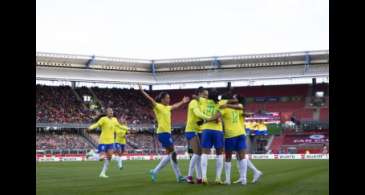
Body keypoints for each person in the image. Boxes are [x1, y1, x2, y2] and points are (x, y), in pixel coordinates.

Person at [139, 85, 189, 183]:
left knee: (170, 154)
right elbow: (150, 99)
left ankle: (154, 171)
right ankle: (178, 176)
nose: (169, 99)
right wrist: (142, 91)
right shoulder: (158, 106)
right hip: (162, 133)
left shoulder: (168, 107)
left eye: (169, 97)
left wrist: (183, 102)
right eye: (167, 98)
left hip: (167, 133)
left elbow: (175, 106)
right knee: (173, 153)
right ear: (162, 99)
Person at [185, 87, 213, 184]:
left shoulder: (202, 102)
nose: (206, 97)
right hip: (191, 130)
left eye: (207, 95)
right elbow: (198, 113)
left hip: (199, 130)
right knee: (197, 153)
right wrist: (210, 118)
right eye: (204, 95)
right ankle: (189, 176)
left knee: (199, 154)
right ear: (199, 94)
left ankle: (199, 177)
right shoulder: (193, 102)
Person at [219, 95, 248, 185]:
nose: (235, 99)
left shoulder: (224, 107)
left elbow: (218, 113)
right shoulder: (239, 106)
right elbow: (240, 108)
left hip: (230, 135)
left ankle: (228, 180)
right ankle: (243, 179)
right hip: (241, 133)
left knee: (228, 158)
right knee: (242, 157)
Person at [199, 88, 225, 184]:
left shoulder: (203, 101)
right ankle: (218, 178)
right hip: (217, 130)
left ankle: (204, 177)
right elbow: (218, 117)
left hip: (206, 130)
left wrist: (206, 120)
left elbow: (196, 97)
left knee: (205, 153)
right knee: (219, 153)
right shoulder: (220, 104)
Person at [87, 108, 119, 178]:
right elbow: (97, 124)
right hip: (103, 141)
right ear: (107, 113)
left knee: (109, 157)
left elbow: (118, 126)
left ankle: (102, 173)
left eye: (112, 112)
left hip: (111, 141)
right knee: (101, 158)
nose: (111, 113)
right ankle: (92, 154)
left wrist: (126, 129)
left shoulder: (115, 119)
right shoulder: (103, 119)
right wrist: (90, 127)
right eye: (110, 112)